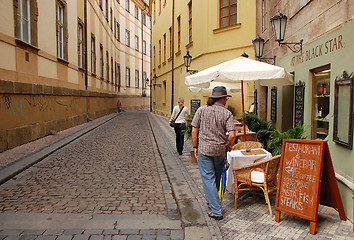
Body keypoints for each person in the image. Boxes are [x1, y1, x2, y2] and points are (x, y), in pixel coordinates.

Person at [191, 86, 236, 220]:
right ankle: (212, 202)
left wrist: (195, 146)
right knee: (215, 178)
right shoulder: (227, 113)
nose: (226, 100)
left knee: (208, 179)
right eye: (226, 98)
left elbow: (194, 130)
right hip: (219, 150)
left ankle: (216, 211)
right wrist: (228, 144)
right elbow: (232, 135)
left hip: (205, 150)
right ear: (222, 98)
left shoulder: (201, 110)